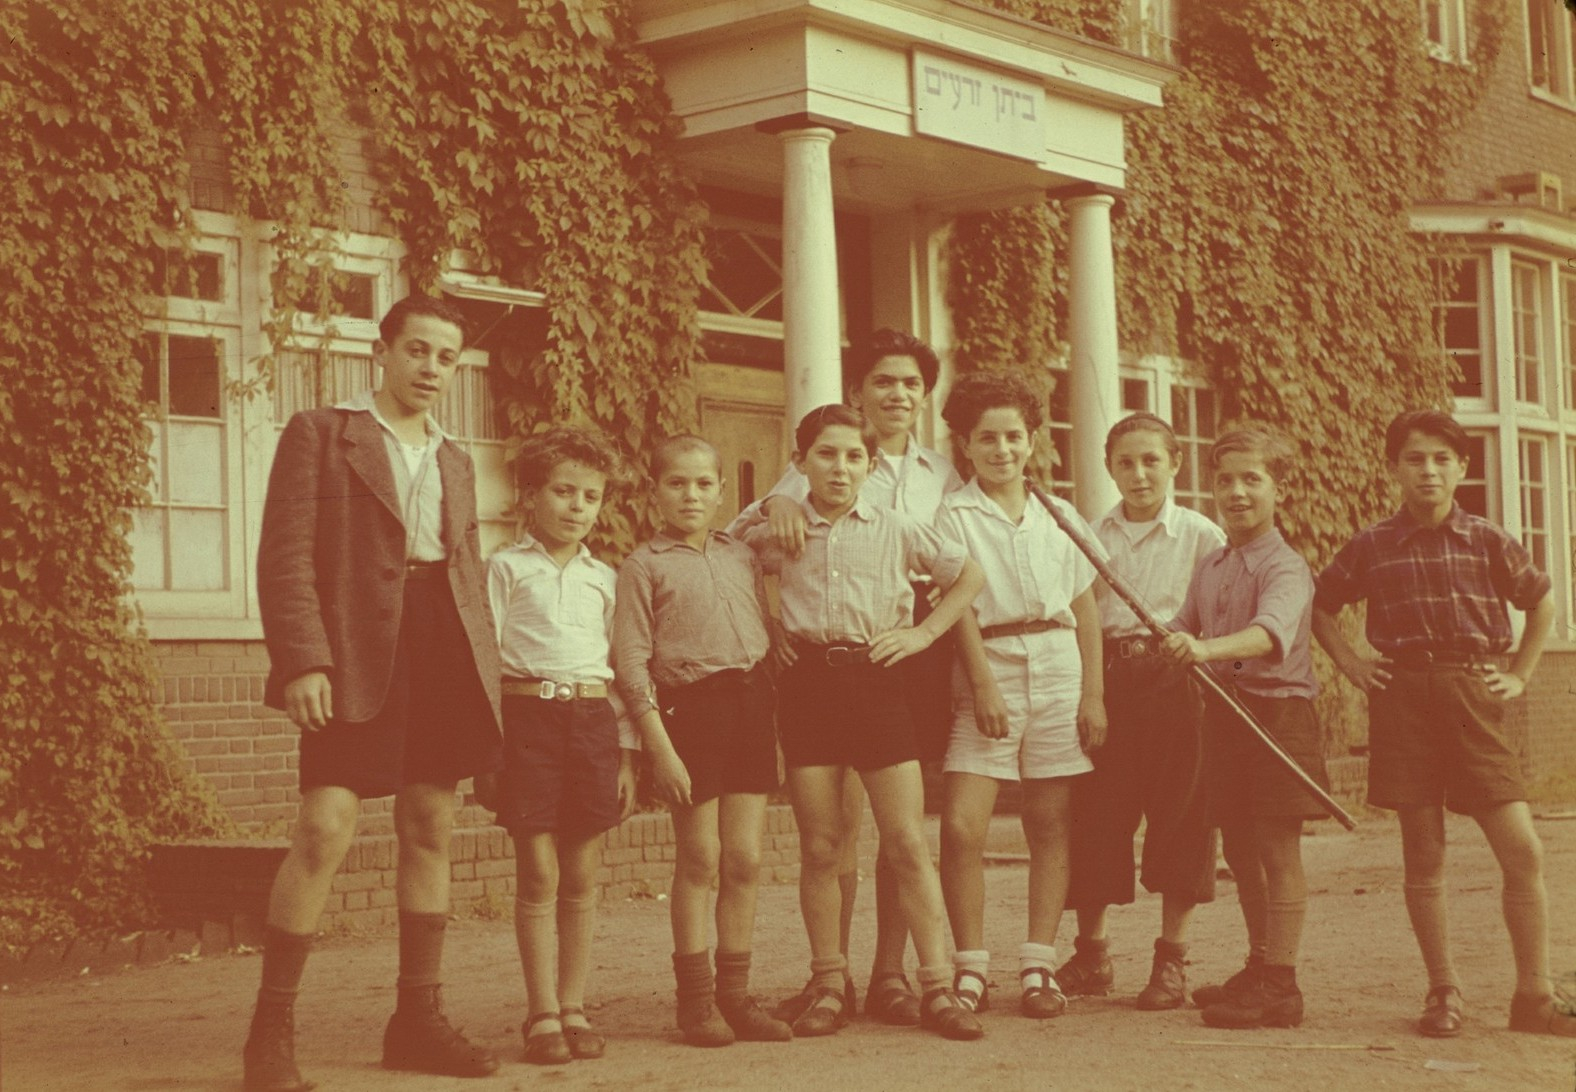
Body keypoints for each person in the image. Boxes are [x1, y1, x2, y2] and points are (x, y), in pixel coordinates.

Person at [248, 294, 502, 1092]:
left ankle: (416, 1020)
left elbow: (464, 570)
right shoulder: (322, 434)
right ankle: (269, 1034)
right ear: (381, 352)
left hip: (442, 646)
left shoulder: (455, 457)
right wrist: (303, 661)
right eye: (417, 350)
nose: (431, 368)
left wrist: (489, 674)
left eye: (445, 357)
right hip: (355, 648)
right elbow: (284, 554)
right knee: (325, 825)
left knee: (430, 821)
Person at [1311, 409, 1569, 1039]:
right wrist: (1351, 665)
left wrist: (1521, 675)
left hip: (1472, 695)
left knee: (1522, 848)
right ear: (1394, 468)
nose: (1427, 470)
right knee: (1424, 855)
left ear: (1461, 467)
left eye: (1439, 459)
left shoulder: (1486, 538)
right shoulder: (1372, 544)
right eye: (1413, 459)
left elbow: (1541, 604)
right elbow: (1320, 607)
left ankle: (1534, 994)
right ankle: (1443, 990)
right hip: (1403, 697)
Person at [734, 329, 964, 1026]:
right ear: (799, 462)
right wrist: (771, 517)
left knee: (906, 841)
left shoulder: (895, 524)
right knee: (821, 845)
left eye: (854, 456)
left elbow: (967, 575)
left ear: (870, 464)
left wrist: (923, 632)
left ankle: (938, 985)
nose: (840, 467)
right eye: (826, 456)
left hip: (878, 684)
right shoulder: (776, 521)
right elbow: (726, 555)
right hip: (807, 687)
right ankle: (829, 984)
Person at [933, 371, 1107, 1019]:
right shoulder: (952, 515)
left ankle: (1039, 965)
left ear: (1032, 441)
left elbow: (1085, 606)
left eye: (1013, 437)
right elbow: (958, 608)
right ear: (967, 446)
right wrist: (981, 683)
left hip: (1060, 667)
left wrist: (1093, 694)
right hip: (992, 664)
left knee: (1049, 821)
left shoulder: (1060, 515)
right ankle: (971, 969)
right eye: (987, 438)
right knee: (960, 826)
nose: (1001, 449)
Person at [612, 435, 793, 1048]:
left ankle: (734, 997)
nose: (691, 495)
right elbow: (631, 662)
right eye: (676, 483)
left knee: (744, 859)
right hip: (689, 714)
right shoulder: (644, 565)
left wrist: (773, 506)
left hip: (750, 706)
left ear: (721, 492)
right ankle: (695, 1003)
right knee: (701, 859)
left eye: (703, 484)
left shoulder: (741, 553)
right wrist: (657, 746)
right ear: (654, 490)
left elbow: (784, 511)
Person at [1161, 426, 1330, 1030]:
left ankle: (1282, 986)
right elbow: (1181, 622)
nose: (1236, 492)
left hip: (1276, 718)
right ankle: (1260, 966)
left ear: (1277, 488)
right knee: (1240, 848)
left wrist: (1202, 650)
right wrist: (1150, 644)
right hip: (1225, 718)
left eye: (1251, 479)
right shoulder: (1212, 562)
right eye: (1225, 480)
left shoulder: (1287, 566)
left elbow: (1266, 637)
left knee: (1277, 850)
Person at [1056, 413, 1224, 1009]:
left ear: (1175, 463)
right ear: (1109, 468)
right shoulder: (1090, 535)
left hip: (1179, 683)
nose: (1139, 473)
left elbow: (1219, 620)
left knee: (1182, 818)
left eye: (1151, 460)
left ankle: (1171, 960)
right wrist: (1092, 697)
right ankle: (1092, 954)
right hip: (1110, 682)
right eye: (1125, 462)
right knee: (1098, 816)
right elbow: (1084, 622)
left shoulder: (1204, 537)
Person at [488, 426, 639, 1065]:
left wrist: (627, 753)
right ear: (530, 496)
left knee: (580, 873)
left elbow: (621, 668)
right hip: (526, 726)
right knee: (539, 871)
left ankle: (574, 1006)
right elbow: (484, 663)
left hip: (591, 725)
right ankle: (541, 1012)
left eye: (591, 496)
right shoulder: (505, 567)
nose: (578, 506)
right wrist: (488, 750)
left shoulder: (605, 577)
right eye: (563, 491)